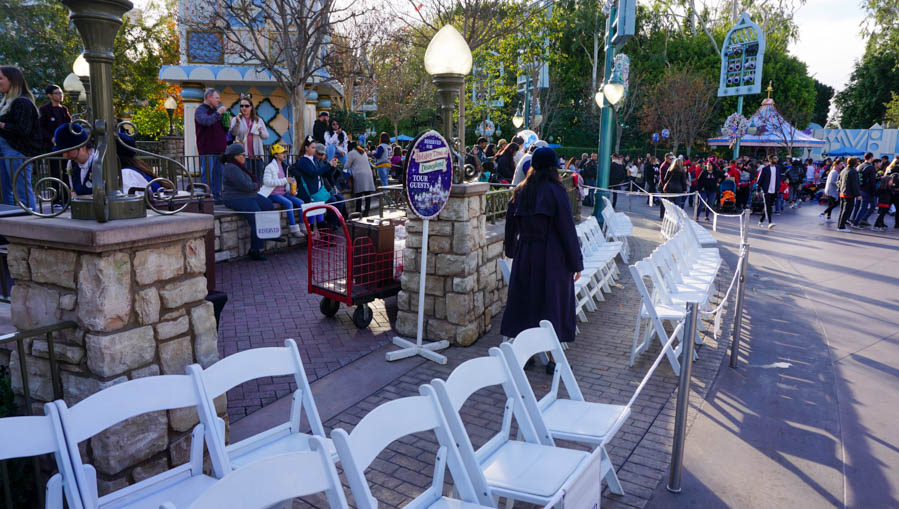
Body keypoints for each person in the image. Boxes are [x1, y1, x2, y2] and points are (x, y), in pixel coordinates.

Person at [500, 147, 583, 343]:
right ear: (554, 167)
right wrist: (576, 263)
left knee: (526, 304)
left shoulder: (520, 190)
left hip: (525, 256)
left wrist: (512, 251)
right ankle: (553, 360)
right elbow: (567, 229)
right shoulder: (557, 191)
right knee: (551, 307)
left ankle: (525, 353)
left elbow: (510, 225)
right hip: (553, 258)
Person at [221, 144, 275, 261]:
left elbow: (249, 183)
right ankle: (255, 250)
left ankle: (270, 233)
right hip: (235, 198)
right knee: (257, 216)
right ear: (235, 156)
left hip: (247, 194)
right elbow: (244, 185)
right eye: (243, 155)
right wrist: (256, 186)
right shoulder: (231, 168)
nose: (245, 157)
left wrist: (254, 186)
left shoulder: (239, 166)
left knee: (268, 204)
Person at [0, 66, 40, 209]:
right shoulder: (6, 102)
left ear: (12, 81)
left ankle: (32, 224)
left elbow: (24, 130)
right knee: (6, 193)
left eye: (1, 78)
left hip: (18, 152)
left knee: (22, 192)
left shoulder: (22, 102)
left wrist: (2, 125)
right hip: (7, 152)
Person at [260, 143, 304, 236]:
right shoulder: (270, 167)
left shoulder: (285, 166)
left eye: (285, 153)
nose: (284, 155)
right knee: (289, 203)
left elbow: (286, 182)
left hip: (284, 193)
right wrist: (285, 180)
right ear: (275, 155)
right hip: (273, 193)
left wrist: (291, 188)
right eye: (281, 153)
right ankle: (294, 229)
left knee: (301, 202)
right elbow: (267, 182)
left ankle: (303, 226)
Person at [39, 84, 71, 203]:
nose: (60, 95)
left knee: (66, 172)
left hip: (65, 146)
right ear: (50, 95)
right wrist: (51, 137)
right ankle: (55, 199)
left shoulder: (64, 109)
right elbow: (40, 127)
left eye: (61, 93)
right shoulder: (44, 110)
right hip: (51, 147)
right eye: (57, 93)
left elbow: (69, 125)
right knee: (54, 173)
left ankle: (66, 198)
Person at [195, 88, 228, 201]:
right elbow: (205, 121)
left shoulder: (215, 112)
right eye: (217, 98)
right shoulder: (200, 110)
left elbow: (223, 131)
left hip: (219, 151)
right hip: (207, 150)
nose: (219, 100)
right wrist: (219, 113)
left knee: (218, 176)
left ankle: (217, 197)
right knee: (208, 177)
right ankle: (207, 198)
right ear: (209, 97)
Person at [229, 95, 269, 182]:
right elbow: (233, 133)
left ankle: (257, 195)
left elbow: (266, 136)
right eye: (242, 106)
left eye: (246, 106)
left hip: (257, 155)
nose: (244, 108)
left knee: (257, 180)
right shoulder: (236, 119)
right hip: (243, 155)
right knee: (245, 179)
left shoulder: (258, 120)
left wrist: (261, 131)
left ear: (251, 107)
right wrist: (237, 124)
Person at [346, 141, 375, 216]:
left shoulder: (351, 153)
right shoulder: (363, 152)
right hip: (368, 174)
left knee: (359, 195)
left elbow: (346, 166)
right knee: (367, 195)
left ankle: (358, 212)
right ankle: (366, 212)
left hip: (359, 175)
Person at [850, 152, 878, 228]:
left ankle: (853, 219)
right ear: (871, 158)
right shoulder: (871, 167)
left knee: (857, 206)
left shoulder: (859, 166)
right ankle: (857, 222)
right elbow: (872, 181)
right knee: (865, 207)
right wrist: (874, 192)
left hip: (859, 189)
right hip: (867, 190)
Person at [837, 157, 861, 232]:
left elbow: (838, 181)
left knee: (842, 210)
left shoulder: (843, 170)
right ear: (855, 163)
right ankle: (841, 227)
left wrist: (840, 189)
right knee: (847, 210)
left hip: (842, 192)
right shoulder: (853, 171)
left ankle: (840, 225)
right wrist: (858, 194)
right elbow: (855, 184)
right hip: (849, 193)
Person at [756, 156, 781, 229]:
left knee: (768, 206)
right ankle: (770, 222)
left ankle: (760, 221)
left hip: (774, 190)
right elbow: (759, 181)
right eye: (774, 158)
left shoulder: (778, 168)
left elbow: (779, 178)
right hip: (766, 190)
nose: (776, 159)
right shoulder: (764, 169)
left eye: (777, 158)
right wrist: (757, 190)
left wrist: (778, 188)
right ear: (770, 160)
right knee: (767, 206)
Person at [657, 153, 674, 219]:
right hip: (663, 186)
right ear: (666, 158)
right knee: (664, 202)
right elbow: (662, 178)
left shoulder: (669, 165)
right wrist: (664, 187)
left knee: (666, 201)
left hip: (667, 186)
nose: (671, 160)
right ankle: (662, 215)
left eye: (672, 158)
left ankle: (665, 215)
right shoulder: (664, 166)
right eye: (670, 159)